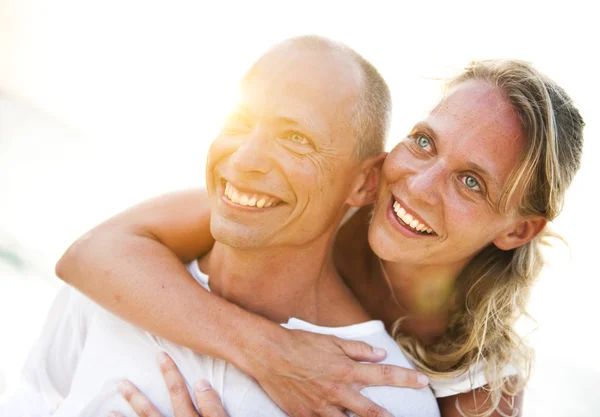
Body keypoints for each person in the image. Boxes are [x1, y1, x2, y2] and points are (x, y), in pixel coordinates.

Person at [58, 43, 585, 417]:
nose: (418, 185)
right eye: (425, 142)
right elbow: (92, 254)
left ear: (517, 231)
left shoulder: (479, 384)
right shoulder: (326, 204)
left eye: (471, 182)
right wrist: (267, 350)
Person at [2, 36, 441, 417]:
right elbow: (34, 400)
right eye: (240, 120)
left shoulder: (385, 396)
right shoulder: (115, 281)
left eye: (296, 139)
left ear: (365, 181)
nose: (245, 159)